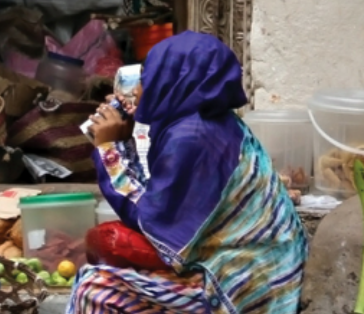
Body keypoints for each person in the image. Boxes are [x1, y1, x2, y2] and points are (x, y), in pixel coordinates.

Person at [76, 32, 306, 314]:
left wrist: (109, 148)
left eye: (149, 77)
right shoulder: (211, 122)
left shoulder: (193, 136)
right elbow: (160, 200)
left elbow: (149, 218)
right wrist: (124, 141)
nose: (138, 87)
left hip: (242, 286)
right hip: (255, 272)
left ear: (172, 80)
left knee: (95, 288)